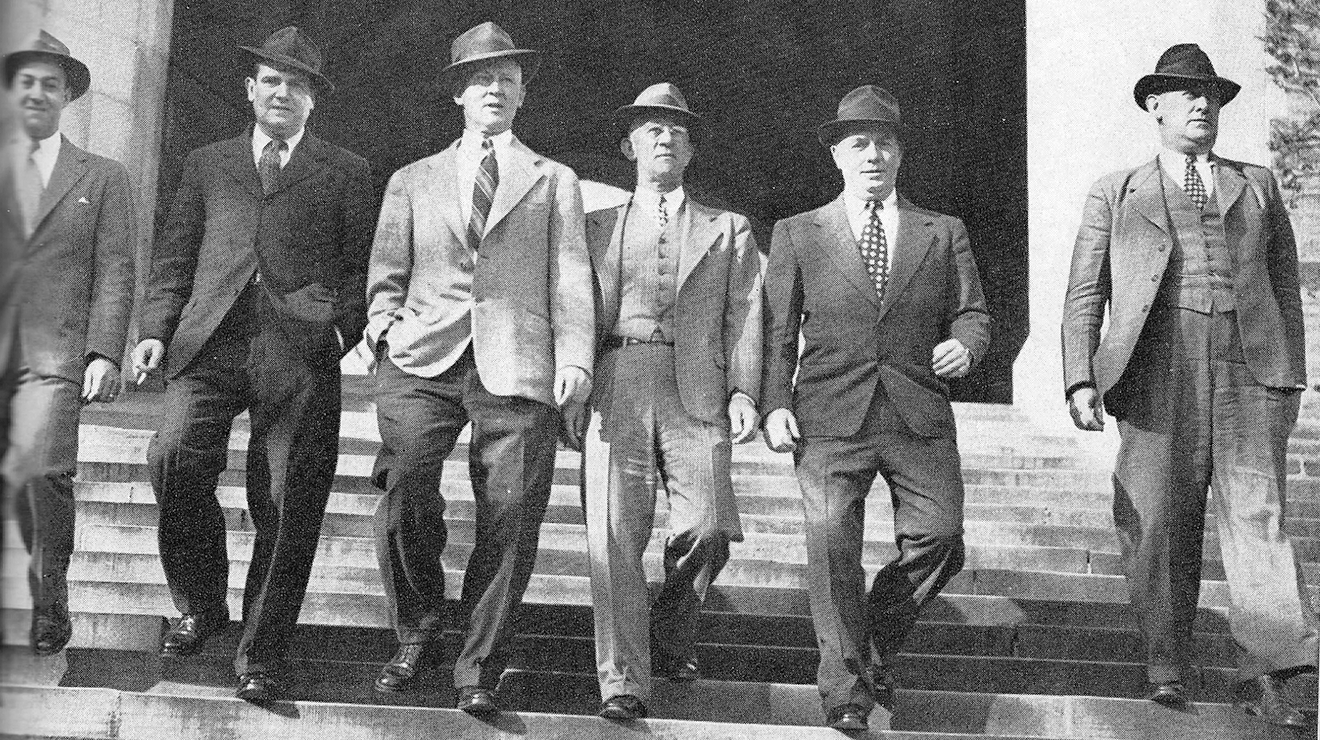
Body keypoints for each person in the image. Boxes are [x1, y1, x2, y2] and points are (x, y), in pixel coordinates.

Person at [1061, 43, 1317, 728]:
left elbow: (1285, 287)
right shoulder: (1117, 191)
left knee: (1257, 522)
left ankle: (1270, 674)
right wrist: (1079, 377)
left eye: (1211, 94)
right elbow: (1086, 291)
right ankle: (1166, 665)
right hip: (1153, 371)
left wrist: (1290, 374)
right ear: (1155, 105)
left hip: (1247, 371)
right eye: (1185, 93)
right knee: (1154, 519)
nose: (1203, 104)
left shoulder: (1256, 183)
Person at [131, 26, 374, 703]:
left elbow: (361, 269)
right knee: (172, 456)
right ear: (250, 88)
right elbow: (177, 253)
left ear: (313, 101)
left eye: (297, 84)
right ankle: (201, 602)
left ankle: (261, 654)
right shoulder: (209, 162)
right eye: (271, 79)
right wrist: (155, 329)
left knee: (287, 499)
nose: (282, 92)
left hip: (298, 351)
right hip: (208, 341)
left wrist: (338, 332)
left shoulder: (346, 171)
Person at [363, 21, 593, 717]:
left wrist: (577, 358)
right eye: (481, 78)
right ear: (459, 92)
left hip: (517, 361)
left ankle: (479, 666)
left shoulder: (555, 180)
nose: (495, 88)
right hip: (421, 358)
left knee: (512, 516)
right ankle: (421, 624)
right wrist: (382, 329)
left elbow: (572, 276)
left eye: (508, 79)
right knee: (403, 488)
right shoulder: (412, 178)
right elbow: (385, 270)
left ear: (522, 96)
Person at [760, 85, 990, 732]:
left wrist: (965, 347)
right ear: (837, 155)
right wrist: (776, 403)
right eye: (858, 144)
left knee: (941, 537)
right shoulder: (798, 233)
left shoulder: (943, 232)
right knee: (831, 542)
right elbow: (776, 331)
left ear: (900, 154)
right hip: (828, 415)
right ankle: (845, 694)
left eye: (884, 143)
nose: (872, 155)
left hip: (918, 412)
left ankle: (870, 643)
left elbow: (973, 313)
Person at [576, 83, 762, 721]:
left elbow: (744, 314)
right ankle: (623, 681)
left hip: (698, 386)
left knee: (708, 526)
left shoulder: (728, 228)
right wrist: (574, 381)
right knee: (614, 534)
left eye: (676, 129)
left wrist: (744, 389)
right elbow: (574, 309)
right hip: (617, 377)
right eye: (651, 128)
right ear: (629, 145)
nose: (664, 137)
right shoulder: (595, 225)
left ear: (691, 148)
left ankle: (669, 625)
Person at [1, 30, 136, 658]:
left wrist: (104, 351)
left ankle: (48, 604)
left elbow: (114, 271)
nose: (37, 93)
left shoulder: (102, 178)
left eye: (49, 84)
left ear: (66, 95)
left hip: (53, 356)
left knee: (46, 475)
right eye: (25, 81)